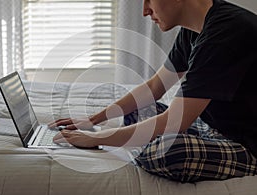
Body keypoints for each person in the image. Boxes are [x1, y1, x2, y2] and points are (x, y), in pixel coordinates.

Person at [50, 0, 257, 182]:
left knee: (167, 151)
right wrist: (93, 120)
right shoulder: (195, 28)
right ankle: (140, 142)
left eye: (149, 0)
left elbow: (175, 121)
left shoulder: (226, 34)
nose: (145, 11)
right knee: (136, 112)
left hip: (247, 145)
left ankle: (143, 144)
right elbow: (154, 87)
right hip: (212, 127)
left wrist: (99, 138)